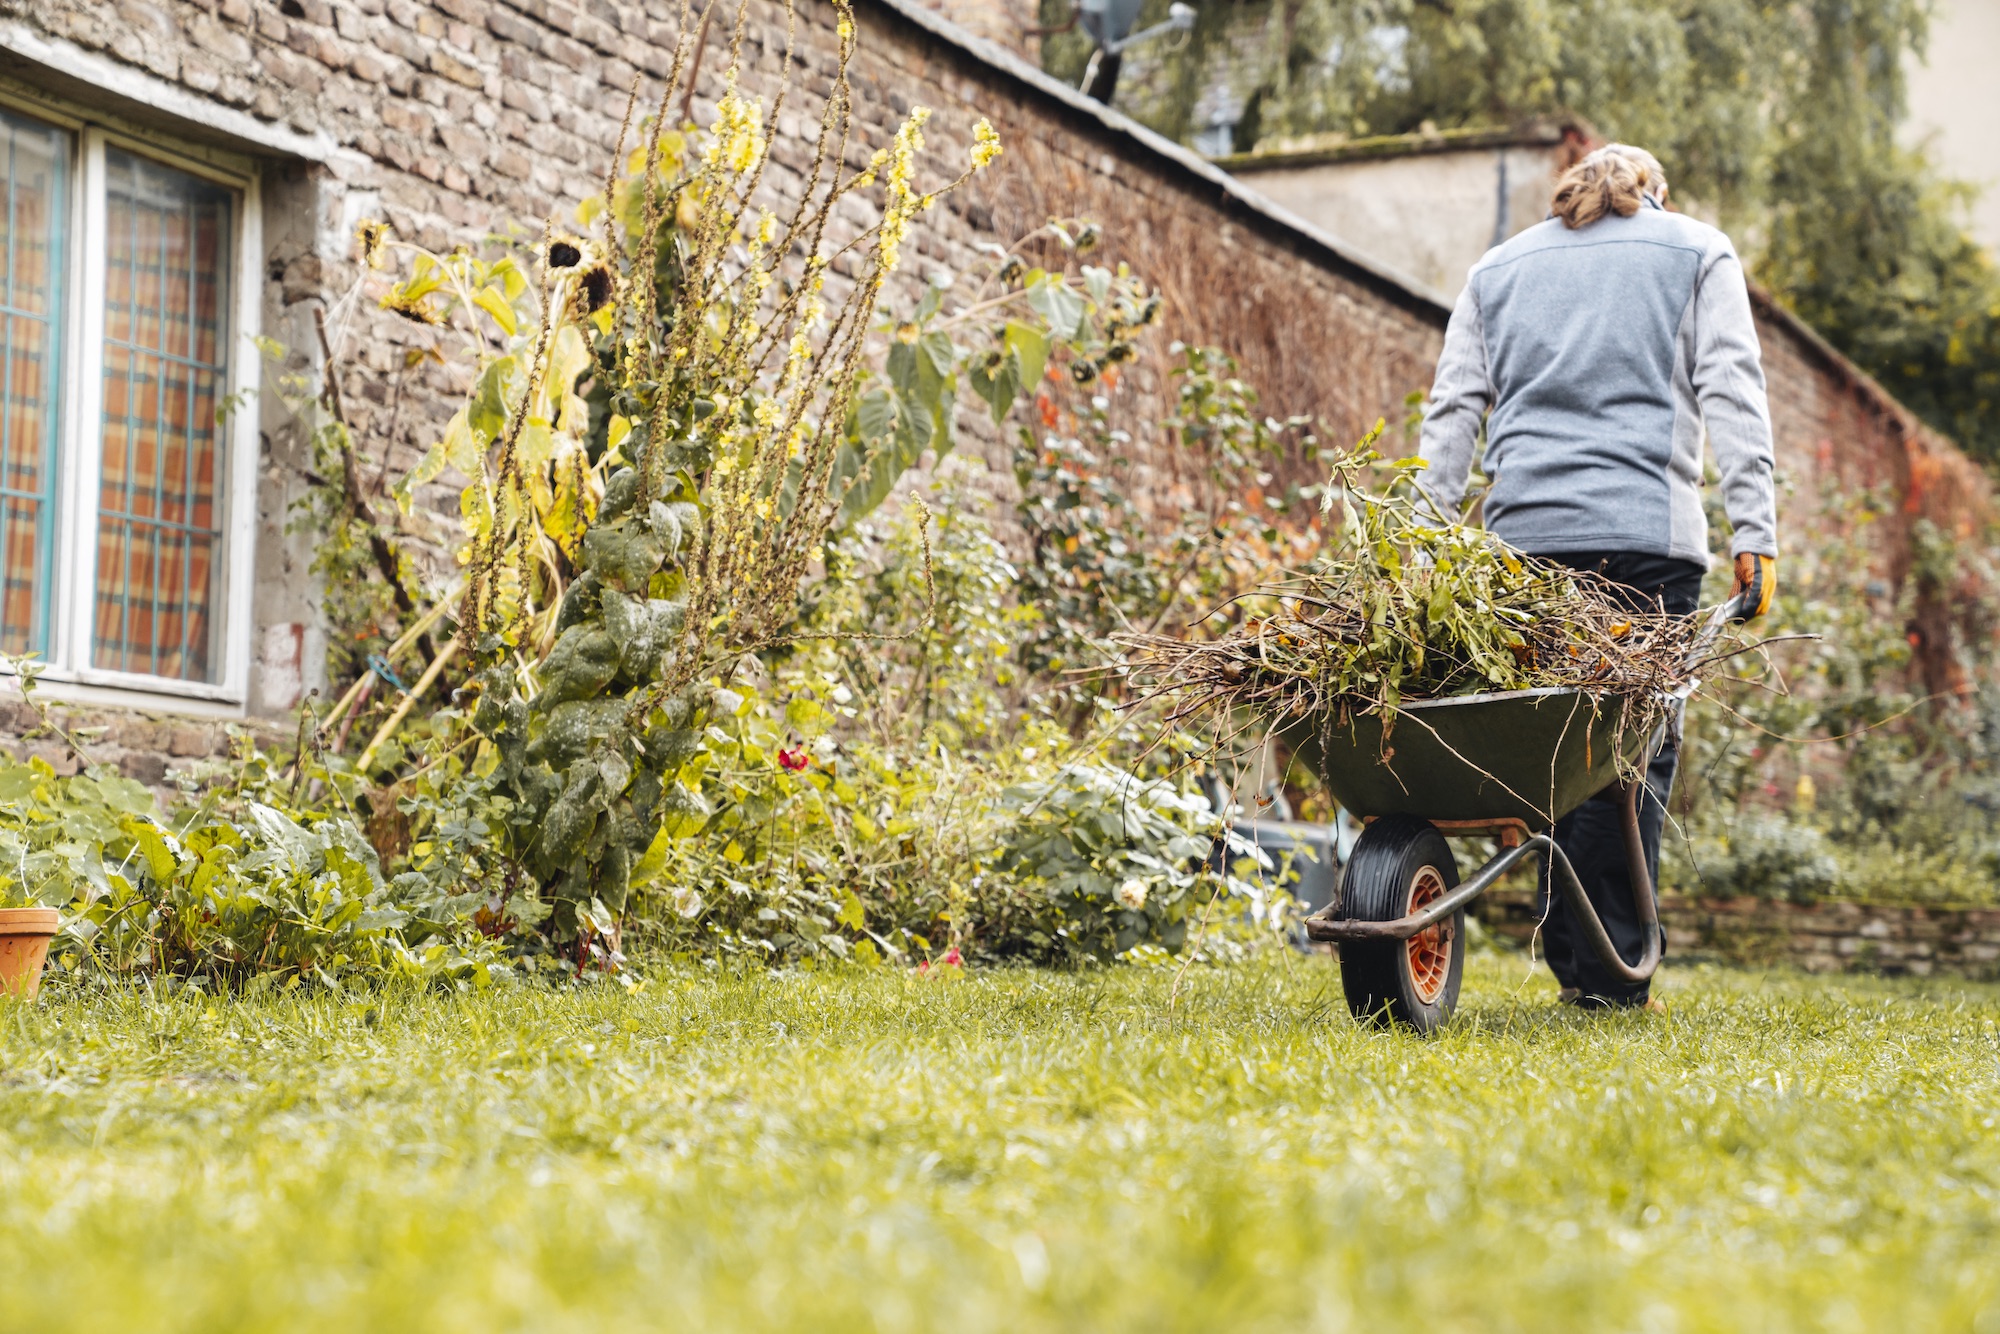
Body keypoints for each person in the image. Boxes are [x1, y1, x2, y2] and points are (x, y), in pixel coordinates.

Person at [1415, 143, 1779, 1011]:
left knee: (1552, 750)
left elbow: (1455, 408)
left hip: (1525, 553)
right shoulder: (1696, 250)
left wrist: (1422, 548)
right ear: (1654, 194)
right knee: (1631, 755)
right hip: (1649, 545)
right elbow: (1733, 387)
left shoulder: (1496, 269)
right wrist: (1755, 532)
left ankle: (1582, 963)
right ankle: (1609, 973)